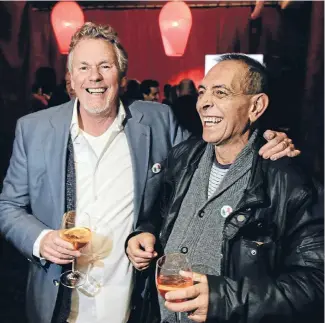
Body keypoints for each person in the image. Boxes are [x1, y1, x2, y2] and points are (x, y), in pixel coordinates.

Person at [0, 22, 298, 323]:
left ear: (121, 74)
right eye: (83, 67)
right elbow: (8, 206)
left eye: (106, 65)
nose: (95, 77)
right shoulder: (33, 129)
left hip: (133, 300)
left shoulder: (158, 120)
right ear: (71, 78)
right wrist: (41, 240)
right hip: (59, 297)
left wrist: (265, 138)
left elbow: (213, 149)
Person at [126, 54, 323, 323]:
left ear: (256, 106)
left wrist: (225, 299)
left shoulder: (290, 182)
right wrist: (143, 233)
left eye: (221, 93)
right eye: (203, 92)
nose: (204, 103)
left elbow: (315, 283)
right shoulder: (183, 156)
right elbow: (158, 215)